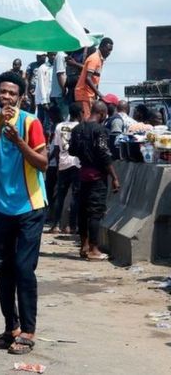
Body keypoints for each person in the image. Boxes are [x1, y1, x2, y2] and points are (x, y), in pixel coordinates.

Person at [0, 71, 48, 356]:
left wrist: (19, 141)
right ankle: (12, 328)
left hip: (31, 205)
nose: (6, 96)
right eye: (2, 91)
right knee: (1, 268)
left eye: (11, 92)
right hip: (4, 208)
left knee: (23, 268)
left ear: (20, 96)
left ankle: (28, 330)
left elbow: (42, 164)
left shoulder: (31, 122)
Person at [69, 101, 120, 261]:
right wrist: (115, 177)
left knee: (82, 212)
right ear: (103, 114)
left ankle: (84, 246)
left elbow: (71, 150)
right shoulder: (101, 130)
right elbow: (104, 154)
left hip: (82, 174)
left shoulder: (77, 129)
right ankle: (94, 249)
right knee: (95, 213)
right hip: (97, 177)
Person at [48, 103, 82, 235]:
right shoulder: (80, 127)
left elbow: (56, 148)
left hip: (63, 163)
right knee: (75, 196)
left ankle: (55, 225)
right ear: (79, 114)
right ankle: (71, 226)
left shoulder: (60, 126)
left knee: (60, 196)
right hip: (77, 164)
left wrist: (57, 165)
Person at [74, 38, 114, 120]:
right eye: (108, 50)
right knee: (86, 120)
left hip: (89, 94)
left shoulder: (100, 59)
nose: (109, 53)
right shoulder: (94, 58)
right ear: (102, 47)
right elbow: (88, 78)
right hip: (84, 94)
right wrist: (99, 94)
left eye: (111, 51)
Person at [32, 55, 52, 124]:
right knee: (41, 122)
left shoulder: (54, 66)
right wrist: (44, 100)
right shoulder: (42, 68)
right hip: (42, 100)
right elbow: (42, 85)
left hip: (51, 98)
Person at [47, 52, 67, 119]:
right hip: (60, 94)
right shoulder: (61, 55)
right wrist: (64, 90)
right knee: (64, 119)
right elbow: (60, 74)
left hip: (60, 94)